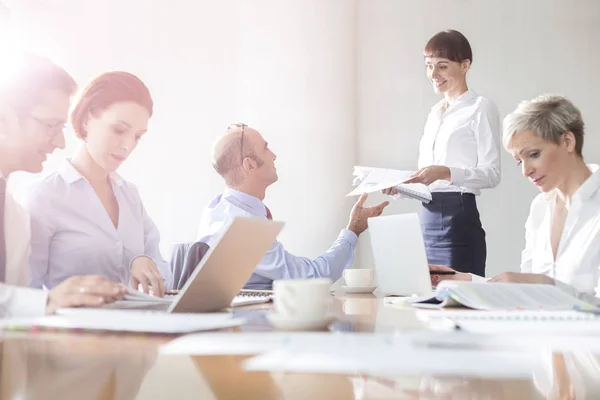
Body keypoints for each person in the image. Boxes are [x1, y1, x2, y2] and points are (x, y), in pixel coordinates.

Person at [430, 95, 600, 305]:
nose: (526, 171)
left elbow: (542, 288)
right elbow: (525, 293)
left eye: (534, 154)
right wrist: (468, 281)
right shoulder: (540, 208)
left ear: (567, 141)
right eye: (519, 161)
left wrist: (547, 285)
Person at [21, 71, 171, 297]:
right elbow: (24, 293)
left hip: (136, 325)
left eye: (137, 136)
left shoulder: (129, 195)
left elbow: (163, 273)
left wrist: (144, 261)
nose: (127, 146)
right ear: (86, 119)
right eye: (119, 130)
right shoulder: (45, 197)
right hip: (71, 329)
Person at [0, 52, 125, 316]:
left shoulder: (15, 218)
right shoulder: (34, 202)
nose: (60, 143)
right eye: (50, 125)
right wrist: (46, 302)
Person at [196, 123, 389, 289]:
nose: (274, 155)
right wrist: (352, 231)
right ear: (250, 166)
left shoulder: (219, 210)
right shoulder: (241, 226)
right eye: (265, 148)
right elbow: (311, 277)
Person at [383, 30, 501, 277]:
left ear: (465, 65)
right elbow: (426, 180)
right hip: (427, 219)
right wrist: (400, 188)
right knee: (429, 300)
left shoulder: (480, 108)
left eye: (443, 66)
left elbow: (492, 174)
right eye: (429, 66)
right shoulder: (434, 113)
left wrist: (446, 172)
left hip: (458, 219)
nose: (433, 75)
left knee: (459, 299)